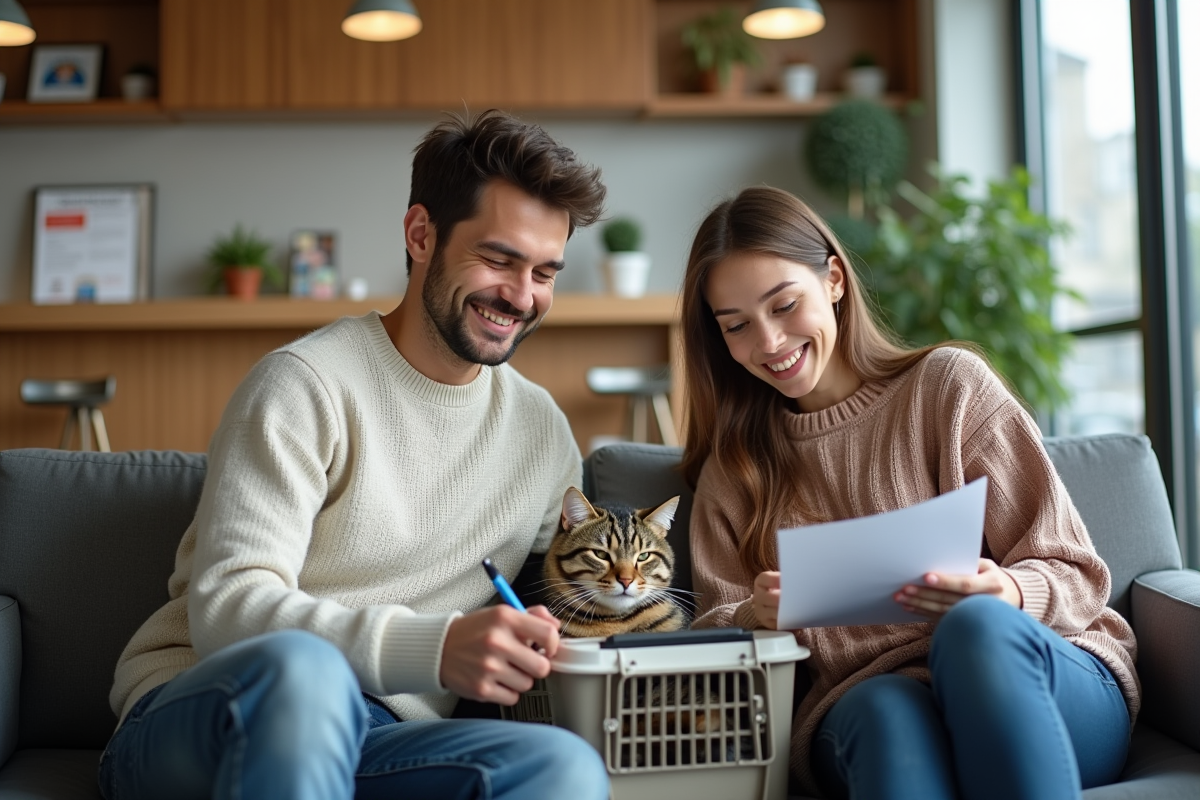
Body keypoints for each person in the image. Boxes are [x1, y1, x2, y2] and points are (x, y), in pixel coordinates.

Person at [101, 110, 611, 800]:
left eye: (545, 272)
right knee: (305, 675)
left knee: (564, 769)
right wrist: (435, 647)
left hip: (382, 739)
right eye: (499, 259)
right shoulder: (304, 383)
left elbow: (567, 595)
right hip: (210, 712)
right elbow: (227, 608)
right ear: (421, 234)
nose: (522, 297)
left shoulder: (543, 435)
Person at [680, 186, 1137, 800]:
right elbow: (713, 639)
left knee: (974, 628)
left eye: (784, 305)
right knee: (882, 710)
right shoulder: (734, 471)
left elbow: (1078, 571)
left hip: (1039, 678)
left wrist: (1006, 590)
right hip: (871, 700)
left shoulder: (948, 389)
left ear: (835, 281)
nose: (768, 342)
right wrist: (751, 617)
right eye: (737, 326)